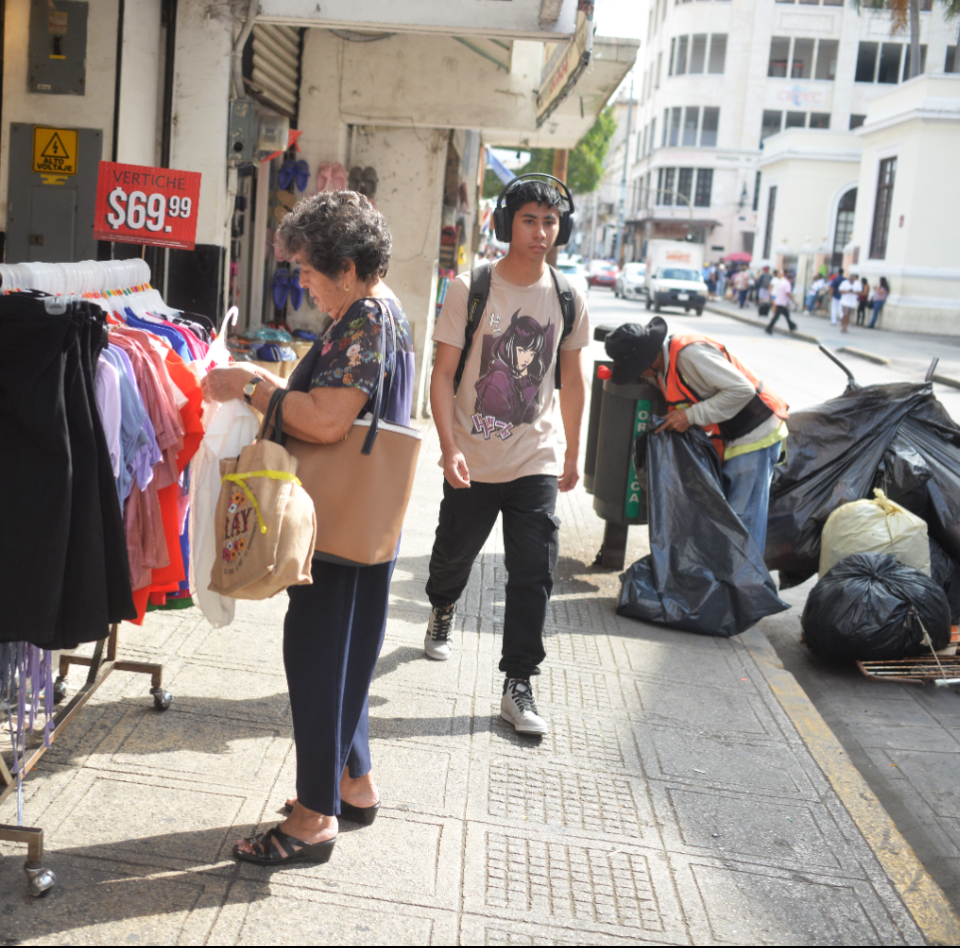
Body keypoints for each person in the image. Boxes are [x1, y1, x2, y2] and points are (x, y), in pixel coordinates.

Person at [203, 190, 414, 866]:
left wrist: (251, 386)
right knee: (344, 658)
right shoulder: (387, 309)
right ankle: (353, 784)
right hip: (365, 518)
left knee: (319, 660)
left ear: (349, 267)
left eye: (310, 272)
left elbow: (325, 421)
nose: (303, 285)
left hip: (341, 523)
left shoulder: (363, 321)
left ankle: (313, 816)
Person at [424, 176, 591, 737]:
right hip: (472, 458)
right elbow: (443, 374)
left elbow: (572, 376)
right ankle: (442, 605)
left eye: (550, 221)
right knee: (453, 556)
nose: (541, 232)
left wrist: (572, 453)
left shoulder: (568, 296)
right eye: (529, 220)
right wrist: (449, 450)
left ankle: (518, 682)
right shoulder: (469, 289)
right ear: (506, 223)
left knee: (534, 571)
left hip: (535, 458)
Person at [604, 317, 789, 554]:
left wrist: (689, 416)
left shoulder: (689, 355)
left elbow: (742, 390)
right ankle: (730, 583)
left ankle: (747, 588)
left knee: (744, 521)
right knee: (729, 520)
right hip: (731, 437)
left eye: (637, 370)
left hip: (755, 431)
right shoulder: (662, 370)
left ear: (647, 360)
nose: (639, 375)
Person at [765, 269, 796, 335]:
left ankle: (792, 326)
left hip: (779, 301)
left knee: (787, 315)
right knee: (776, 317)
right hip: (781, 302)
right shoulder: (787, 283)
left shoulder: (782, 282)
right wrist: (793, 301)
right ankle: (769, 328)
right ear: (790, 279)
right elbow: (788, 293)